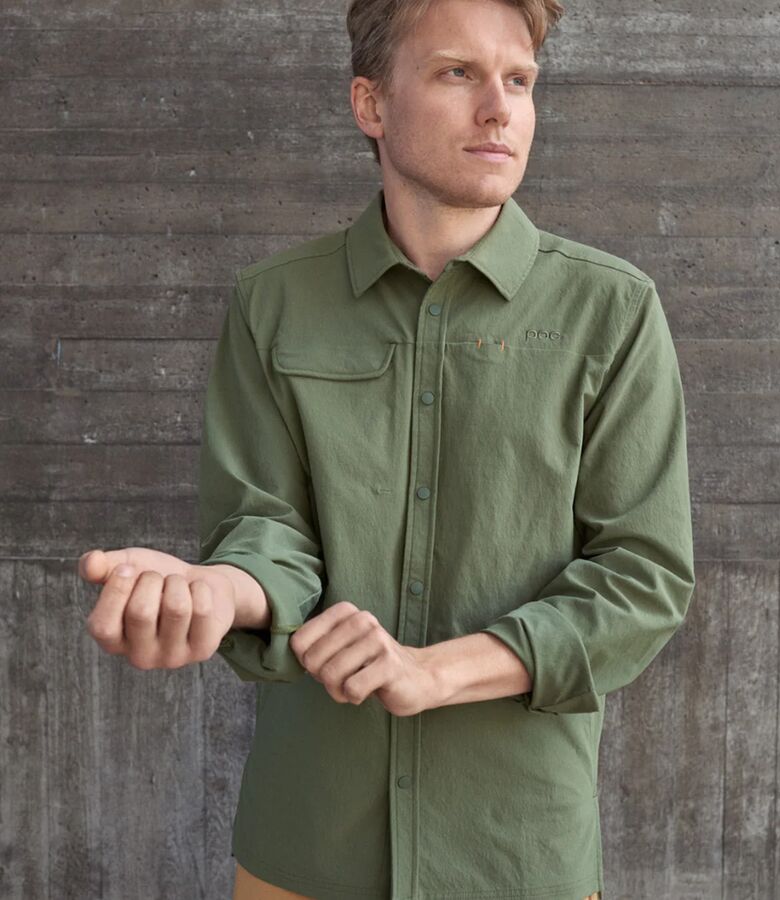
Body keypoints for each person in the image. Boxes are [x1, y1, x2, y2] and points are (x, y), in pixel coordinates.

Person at [78, 0, 696, 897]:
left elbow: (642, 579)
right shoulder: (272, 304)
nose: (499, 109)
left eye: (519, 81)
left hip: (516, 858)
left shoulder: (615, 311)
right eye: (458, 73)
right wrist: (218, 590)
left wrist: (434, 671)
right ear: (370, 104)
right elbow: (267, 530)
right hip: (305, 850)